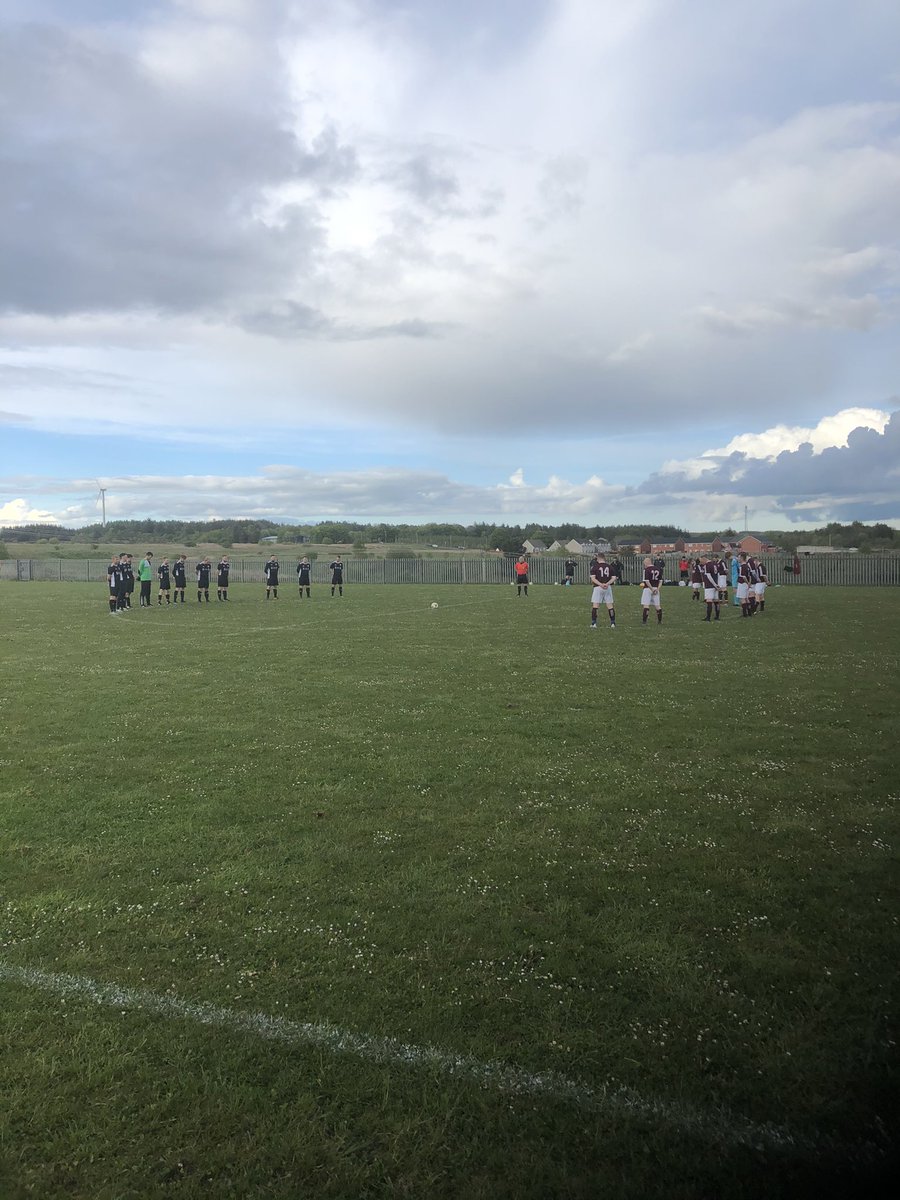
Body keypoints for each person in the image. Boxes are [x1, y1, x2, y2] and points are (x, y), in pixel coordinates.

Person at [589, 553, 616, 629]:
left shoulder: (595, 567)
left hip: (598, 588)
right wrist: (607, 584)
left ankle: (594, 623)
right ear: (604, 558)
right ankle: (613, 623)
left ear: (598, 558)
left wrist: (600, 584)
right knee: (610, 606)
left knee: (595, 606)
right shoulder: (610, 566)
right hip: (607, 588)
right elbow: (614, 578)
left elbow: (593, 578)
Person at [641, 557, 663, 625]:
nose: (644, 565)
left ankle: (644, 621)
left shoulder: (646, 570)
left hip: (648, 589)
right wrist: (657, 589)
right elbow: (661, 581)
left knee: (646, 605)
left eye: (644, 563)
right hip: (656, 589)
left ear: (647, 562)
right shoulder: (658, 569)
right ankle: (659, 621)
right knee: (657, 606)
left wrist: (651, 589)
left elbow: (647, 581)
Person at [700, 557, 721, 621]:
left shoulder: (707, 565)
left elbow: (709, 576)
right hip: (715, 585)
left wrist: (714, 584)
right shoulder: (715, 564)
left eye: (701, 561)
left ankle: (708, 618)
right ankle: (717, 617)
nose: (701, 563)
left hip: (709, 585)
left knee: (709, 601)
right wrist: (717, 585)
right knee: (716, 601)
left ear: (704, 559)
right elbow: (718, 575)